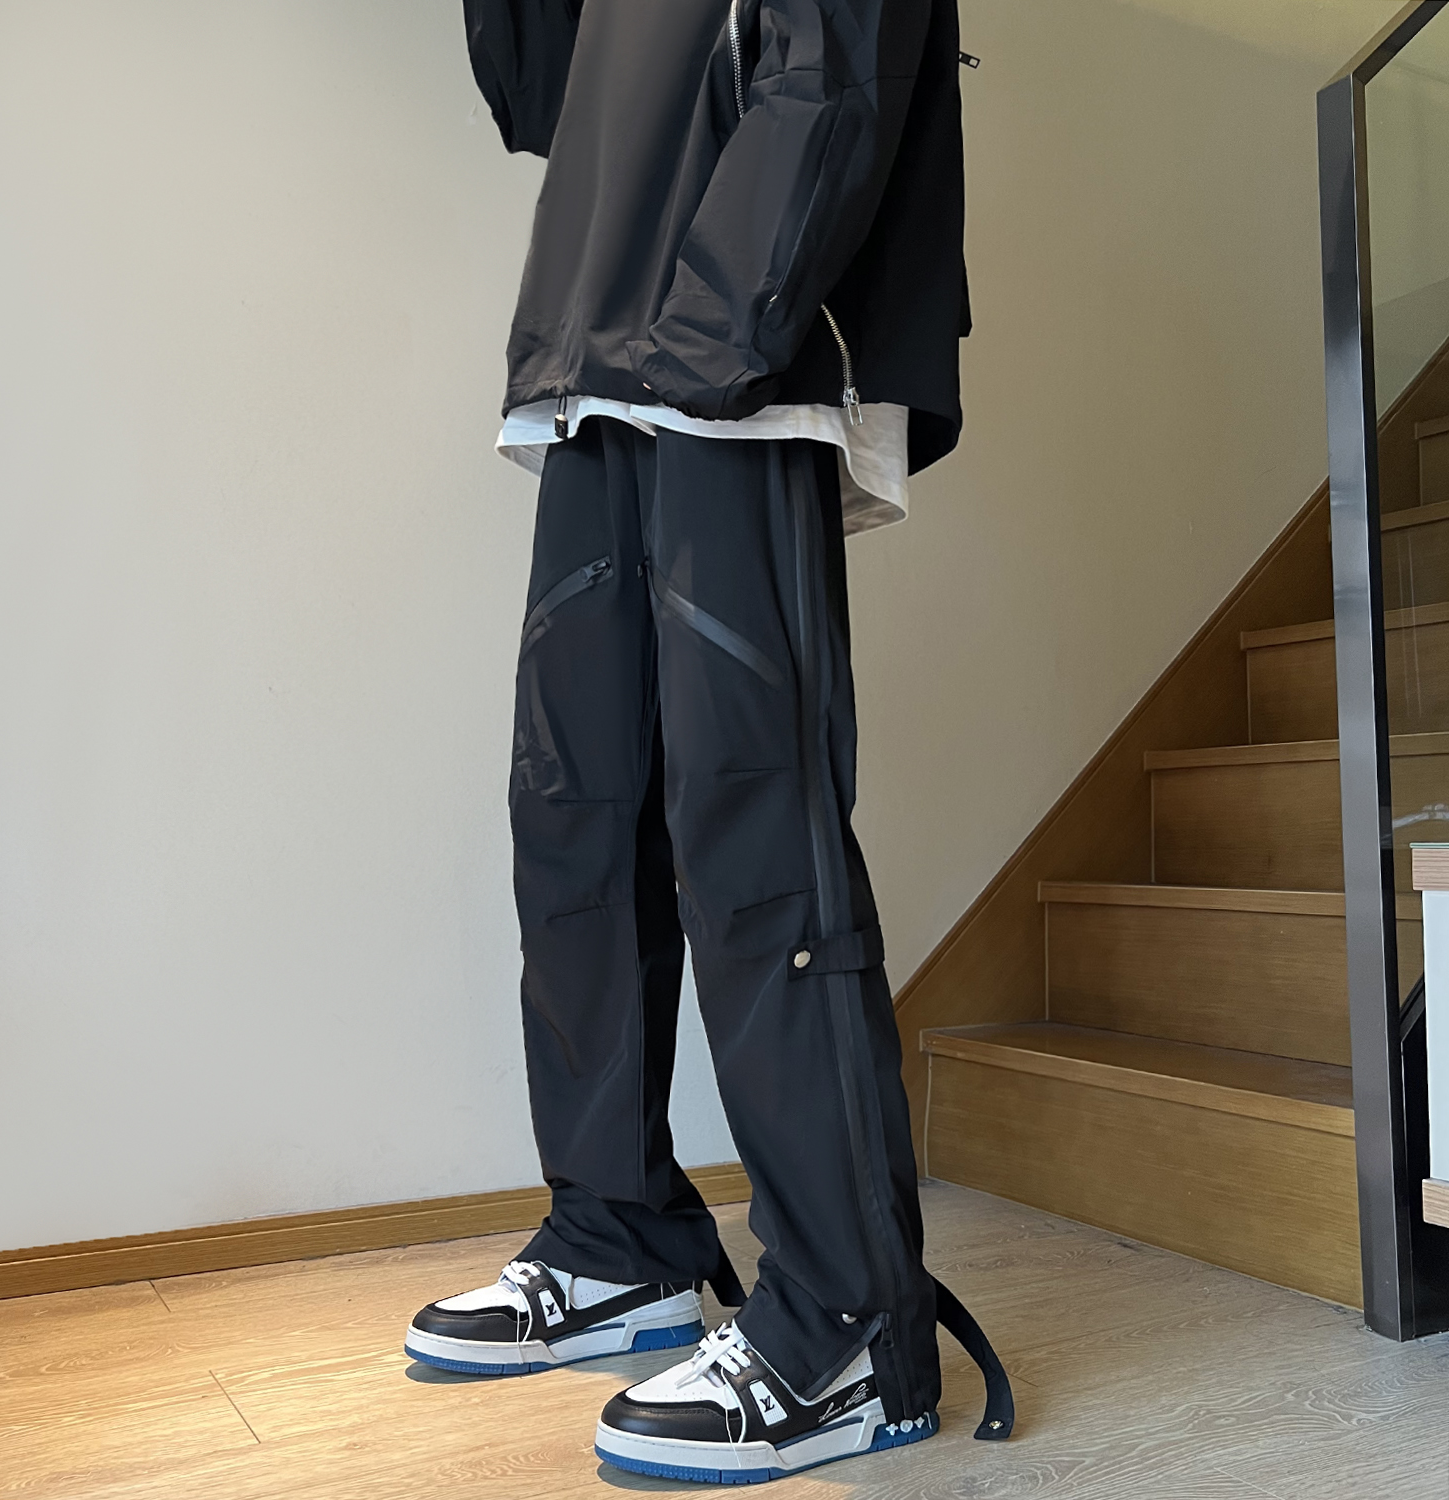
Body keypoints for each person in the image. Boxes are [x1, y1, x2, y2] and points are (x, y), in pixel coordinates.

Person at [405, 0, 1012, 1481]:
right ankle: (619, 1238)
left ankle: (853, 1328)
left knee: (753, 829)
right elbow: (540, 94)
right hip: (594, 346)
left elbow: (842, 58)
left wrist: (721, 330)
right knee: (575, 817)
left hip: (742, 346)